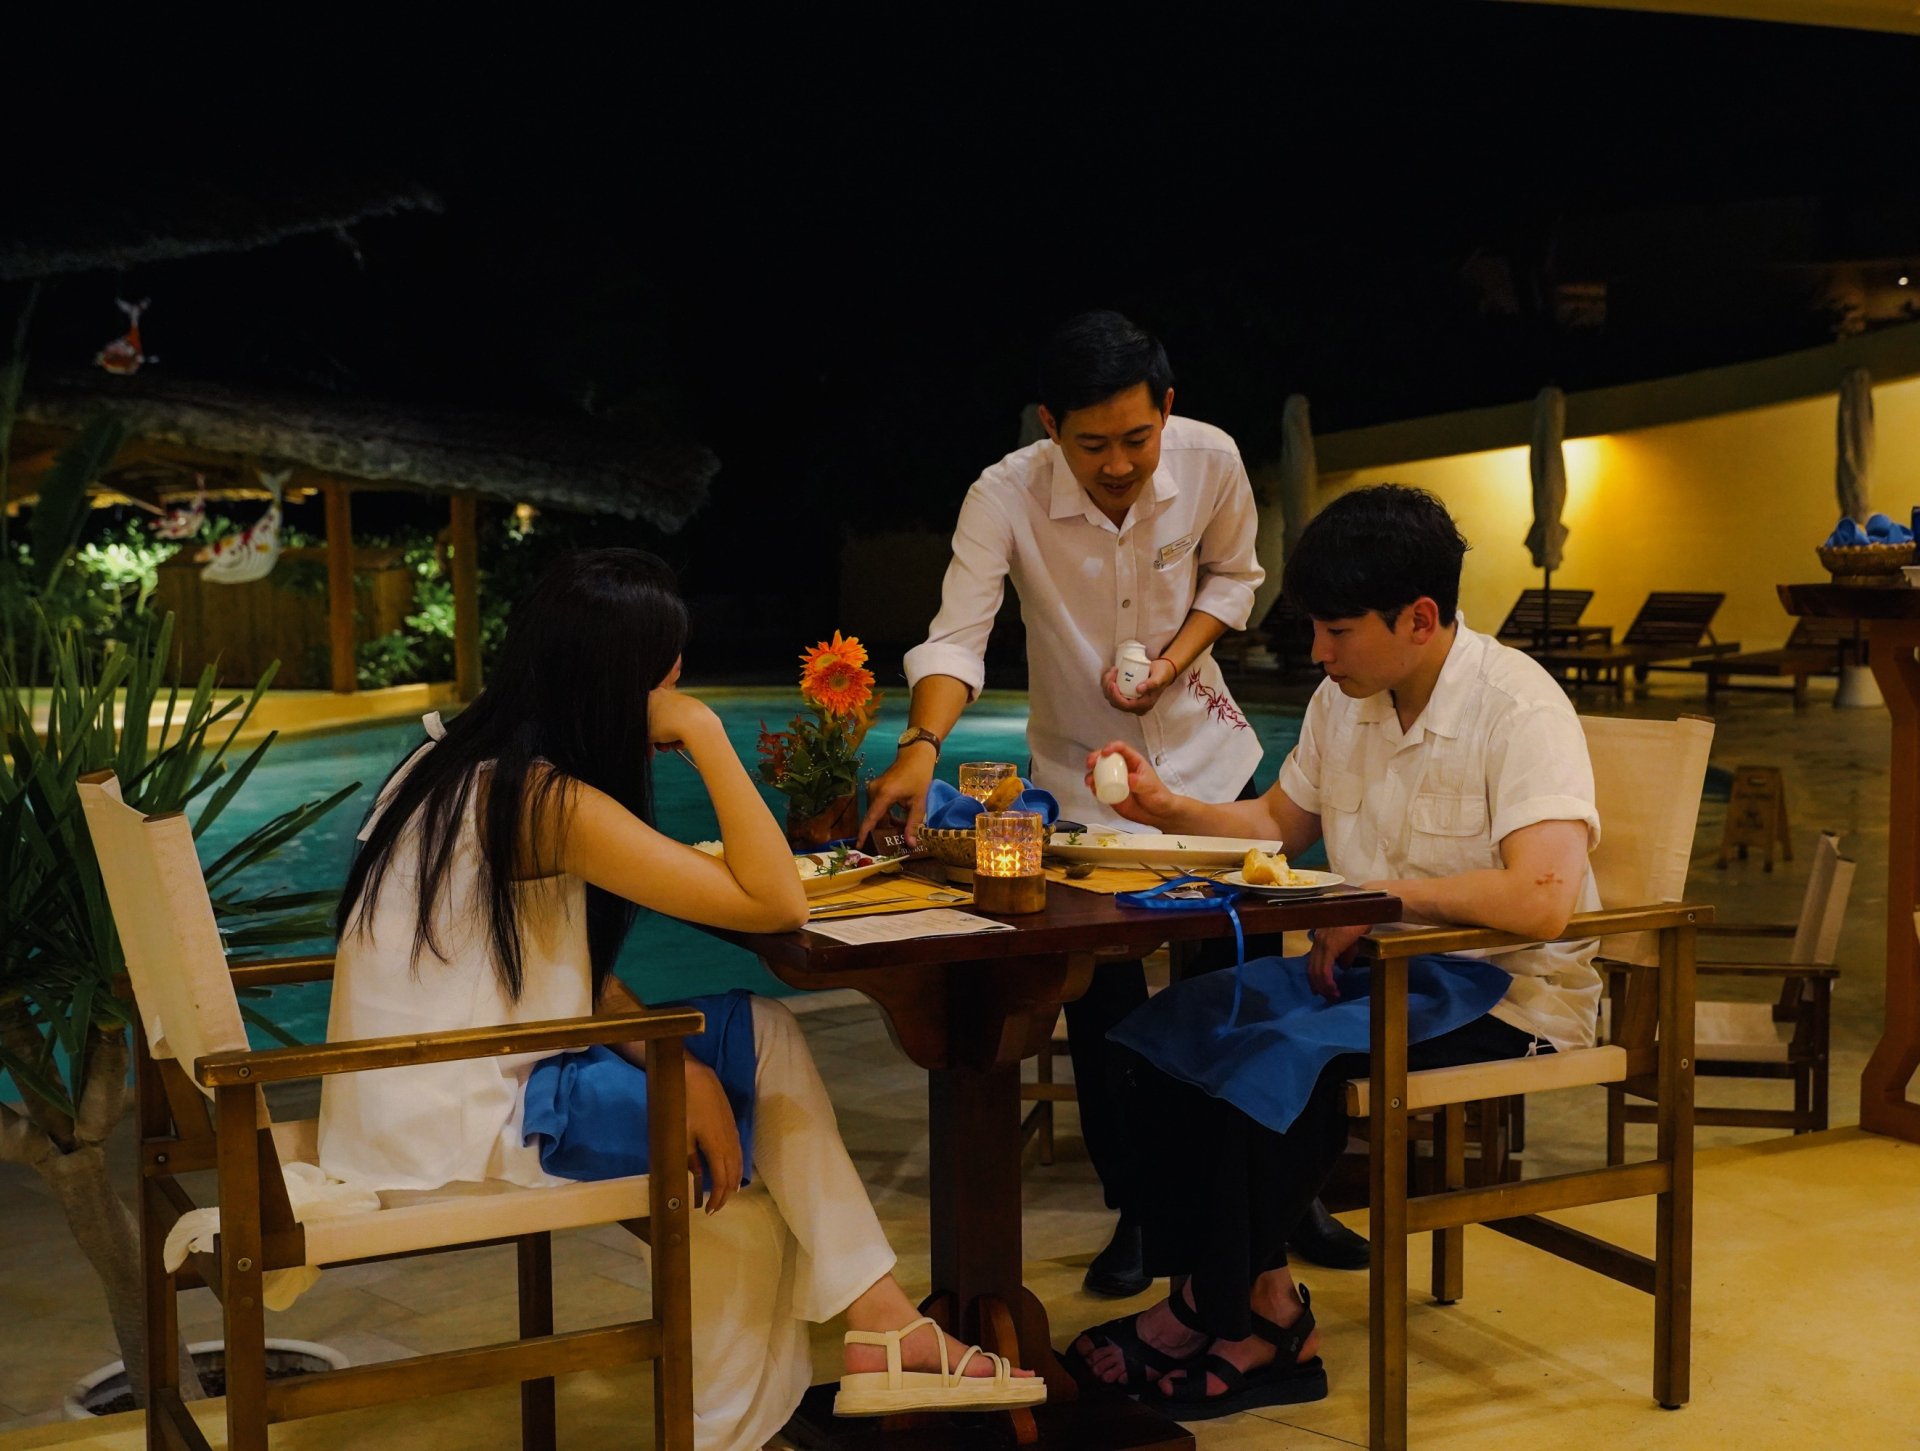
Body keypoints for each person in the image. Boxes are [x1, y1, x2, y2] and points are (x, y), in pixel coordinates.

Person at [318, 549, 1042, 1451]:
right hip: (469, 1121)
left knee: (753, 1083)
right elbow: (777, 902)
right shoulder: (545, 799)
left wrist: (680, 1064)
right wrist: (703, 731)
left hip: (429, 1092)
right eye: (670, 670)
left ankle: (878, 1326)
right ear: (625, 678)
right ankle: (877, 1331)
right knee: (739, 1197)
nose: (678, 684)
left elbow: (551, 969)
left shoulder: (456, 757)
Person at [1066, 485, 1602, 1421]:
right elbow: (1279, 822)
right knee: (1170, 1028)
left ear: (1421, 618)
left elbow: (1544, 898)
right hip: (1373, 976)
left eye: (1337, 630)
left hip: (1500, 998)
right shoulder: (1344, 701)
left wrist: (1381, 900)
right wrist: (1168, 810)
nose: (1318, 652)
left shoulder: (1518, 706)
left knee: (1280, 1058)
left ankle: (1237, 1325)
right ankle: (1247, 1299)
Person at [859, 311, 1357, 1288]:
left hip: (1211, 770)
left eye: (1137, 437)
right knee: (1104, 1001)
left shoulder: (1211, 462)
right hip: (1083, 782)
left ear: (1166, 409)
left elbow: (1235, 579)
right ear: (1051, 425)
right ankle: (1142, 1210)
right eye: (1093, 444)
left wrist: (1173, 661)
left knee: (1247, 981)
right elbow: (958, 633)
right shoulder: (1001, 495)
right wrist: (921, 743)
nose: (1120, 463)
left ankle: (1286, 1192)